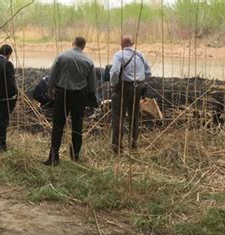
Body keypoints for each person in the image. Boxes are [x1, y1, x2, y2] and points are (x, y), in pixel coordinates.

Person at [43, 37, 96, 166]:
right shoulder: (88, 61)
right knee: (77, 126)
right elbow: (92, 85)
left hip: (63, 94)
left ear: (73, 44)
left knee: (58, 126)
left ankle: (54, 157)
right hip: (79, 96)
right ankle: (75, 157)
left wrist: (50, 91)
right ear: (83, 46)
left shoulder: (62, 56)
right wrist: (90, 98)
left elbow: (53, 76)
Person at [109, 35, 151, 154]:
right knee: (134, 116)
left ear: (122, 44)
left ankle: (117, 146)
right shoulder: (141, 55)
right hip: (138, 88)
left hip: (123, 87)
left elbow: (115, 72)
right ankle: (133, 143)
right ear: (132, 43)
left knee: (118, 117)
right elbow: (148, 72)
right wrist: (141, 82)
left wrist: (113, 84)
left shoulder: (119, 54)